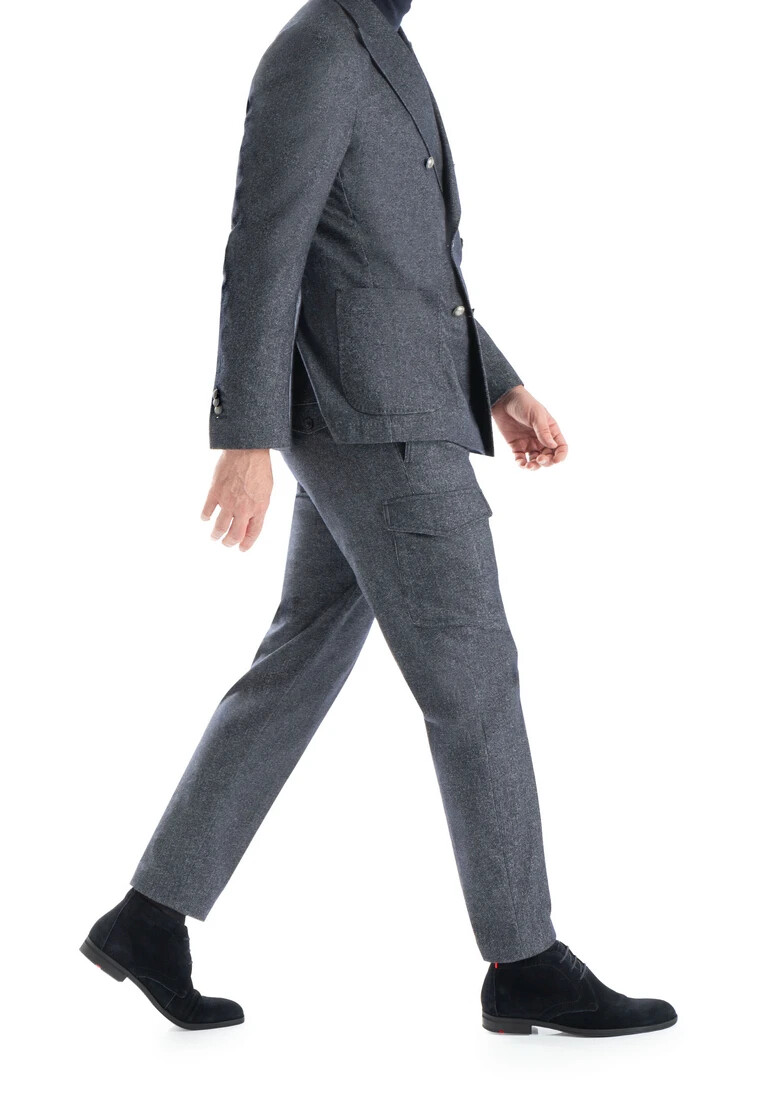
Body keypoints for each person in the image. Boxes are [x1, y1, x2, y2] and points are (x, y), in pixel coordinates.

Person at [80, 0, 677, 1036]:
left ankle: (150, 914)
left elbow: (397, 267)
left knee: (300, 657)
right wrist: (245, 436)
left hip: (395, 405)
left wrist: (497, 381)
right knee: (474, 673)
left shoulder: (380, 40)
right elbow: (264, 246)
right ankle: (525, 956)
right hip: (375, 425)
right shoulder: (319, 48)